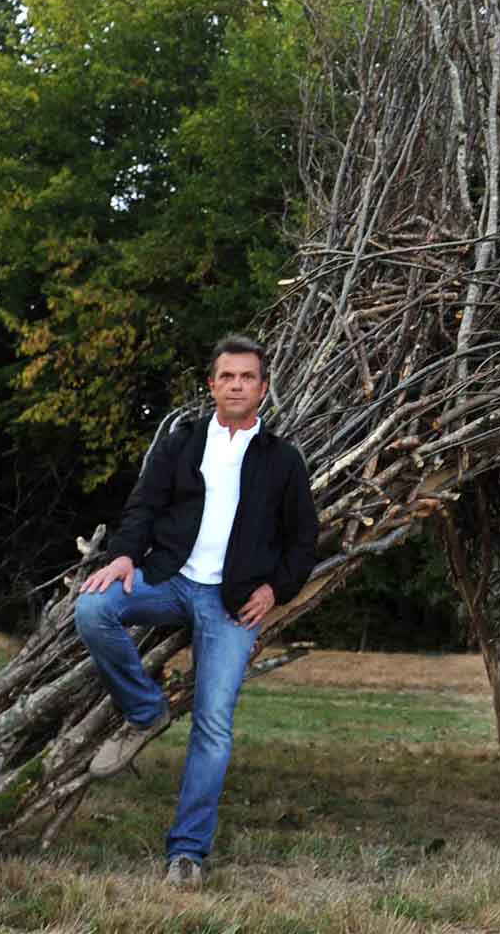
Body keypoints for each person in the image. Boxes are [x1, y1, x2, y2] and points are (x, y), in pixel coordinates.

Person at [74, 333, 319, 889]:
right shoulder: (182, 442)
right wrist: (123, 559)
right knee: (92, 610)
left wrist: (275, 590)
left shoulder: (282, 460)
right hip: (166, 578)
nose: (237, 385)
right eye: (227, 376)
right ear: (212, 385)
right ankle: (145, 710)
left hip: (230, 603)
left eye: (247, 377)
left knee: (213, 724)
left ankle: (187, 853)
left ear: (263, 387)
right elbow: (143, 506)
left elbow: (305, 539)